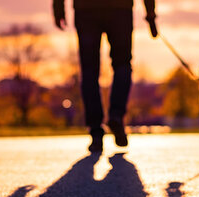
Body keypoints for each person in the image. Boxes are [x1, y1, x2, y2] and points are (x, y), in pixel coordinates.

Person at [53, 0, 158, 152]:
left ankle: (95, 130)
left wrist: (58, 9)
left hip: (86, 10)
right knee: (122, 65)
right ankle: (116, 115)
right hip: (119, 10)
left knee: (89, 71)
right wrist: (150, 13)